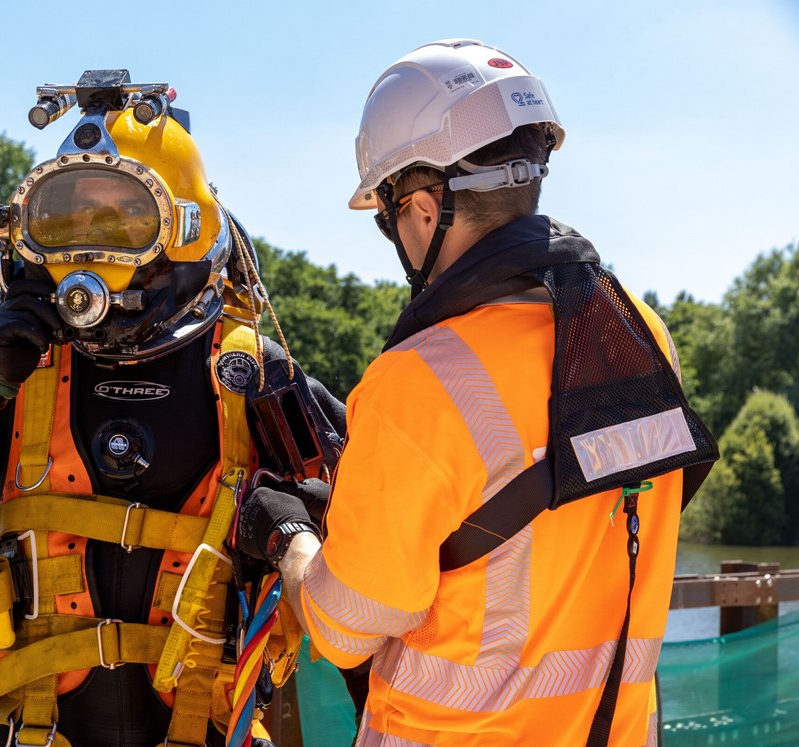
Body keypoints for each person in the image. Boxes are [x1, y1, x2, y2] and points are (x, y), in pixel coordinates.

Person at [234, 40, 718, 747]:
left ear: (425, 210)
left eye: (390, 214)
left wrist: (296, 543)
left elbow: (343, 630)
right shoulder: (639, 335)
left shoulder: (417, 380)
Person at [0, 70, 346, 747]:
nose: (88, 247)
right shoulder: (12, 365)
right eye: (65, 221)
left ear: (183, 227)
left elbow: (379, 565)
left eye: (120, 219)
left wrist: (293, 525)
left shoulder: (251, 375)